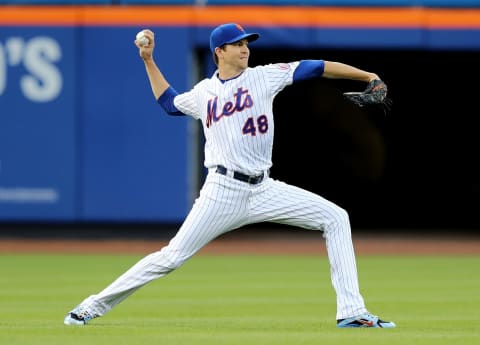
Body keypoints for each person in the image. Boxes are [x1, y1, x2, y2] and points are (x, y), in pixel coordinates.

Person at [64, 23, 395, 328]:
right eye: (236, 44)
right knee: (170, 258)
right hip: (221, 191)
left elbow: (317, 66)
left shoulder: (265, 76)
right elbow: (168, 103)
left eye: (247, 42)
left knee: (335, 218)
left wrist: (368, 75)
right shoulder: (204, 92)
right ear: (219, 52)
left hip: (264, 188)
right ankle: (90, 307)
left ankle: (352, 312)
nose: (245, 48)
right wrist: (148, 60)